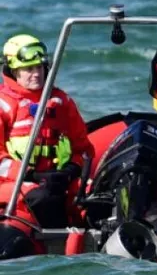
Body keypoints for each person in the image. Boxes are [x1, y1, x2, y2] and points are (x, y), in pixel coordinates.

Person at [0, 33, 92, 228]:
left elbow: (83, 148)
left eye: (39, 67)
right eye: (29, 69)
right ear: (14, 71)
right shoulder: (4, 104)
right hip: (13, 182)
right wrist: (32, 175)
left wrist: (70, 170)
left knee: (98, 195)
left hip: (59, 178)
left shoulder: (61, 102)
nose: (36, 73)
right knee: (45, 198)